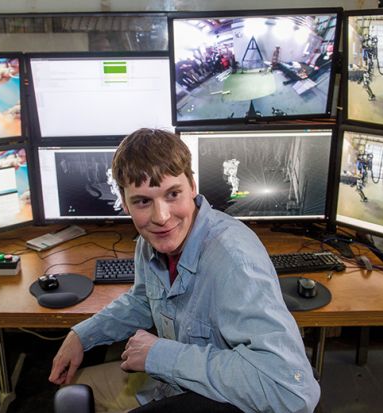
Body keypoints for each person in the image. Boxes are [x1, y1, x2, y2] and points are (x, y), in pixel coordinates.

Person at [49, 128, 320, 413]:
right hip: (169, 385)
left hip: (218, 402)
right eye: (143, 201)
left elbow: (292, 392)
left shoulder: (234, 261)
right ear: (125, 203)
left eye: (173, 194)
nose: (161, 217)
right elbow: (144, 300)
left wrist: (161, 355)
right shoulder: (149, 241)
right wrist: (82, 335)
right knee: (74, 390)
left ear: (192, 186)